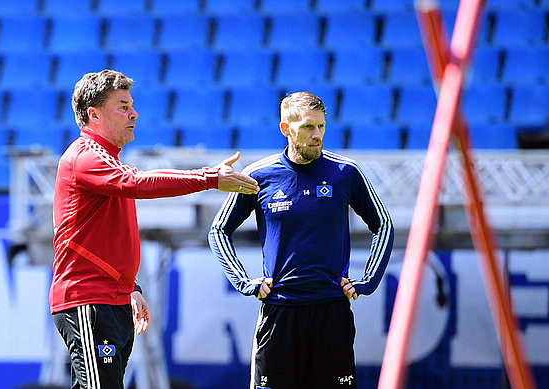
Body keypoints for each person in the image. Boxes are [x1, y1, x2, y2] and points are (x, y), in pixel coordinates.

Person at [50, 69, 259, 389]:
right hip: (89, 300)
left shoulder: (105, 159)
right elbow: (136, 183)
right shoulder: (85, 156)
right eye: (122, 106)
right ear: (94, 114)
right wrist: (209, 178)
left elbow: (105, 236)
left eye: (131, 105)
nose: (134, 113)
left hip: (111, 299)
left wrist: (129, 287)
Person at [208, 92, 394, 389]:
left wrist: (367, 280)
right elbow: (218, 231)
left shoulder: (345, 172)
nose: (317, 135)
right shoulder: (259, 175)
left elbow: (382, 224)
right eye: (308, 127)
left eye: (321, 126)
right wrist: (244, 281)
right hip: (280, 313)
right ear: (286, 129)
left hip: (331, 312)